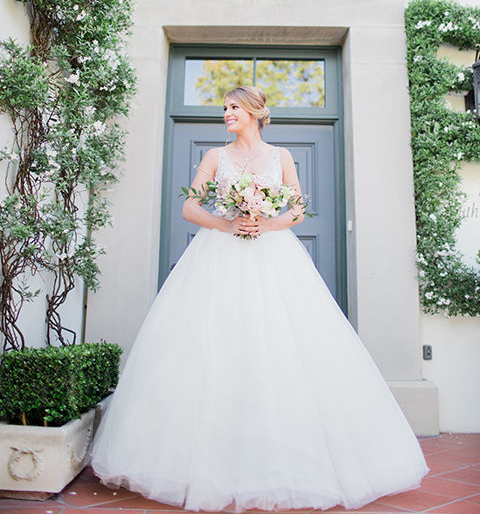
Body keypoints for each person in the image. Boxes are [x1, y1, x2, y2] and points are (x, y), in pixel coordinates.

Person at [91, 86, 428, 512]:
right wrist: (228, 224)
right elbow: (190, 209)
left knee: (279, 345)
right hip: (219, 255)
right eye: (224, 109)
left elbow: (298, 210)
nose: (227, 114)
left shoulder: (281, 157)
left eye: (234, 108)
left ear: (255, 112)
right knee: (213, 345)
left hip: (273, 254)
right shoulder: (216, 157)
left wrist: (266, 225)